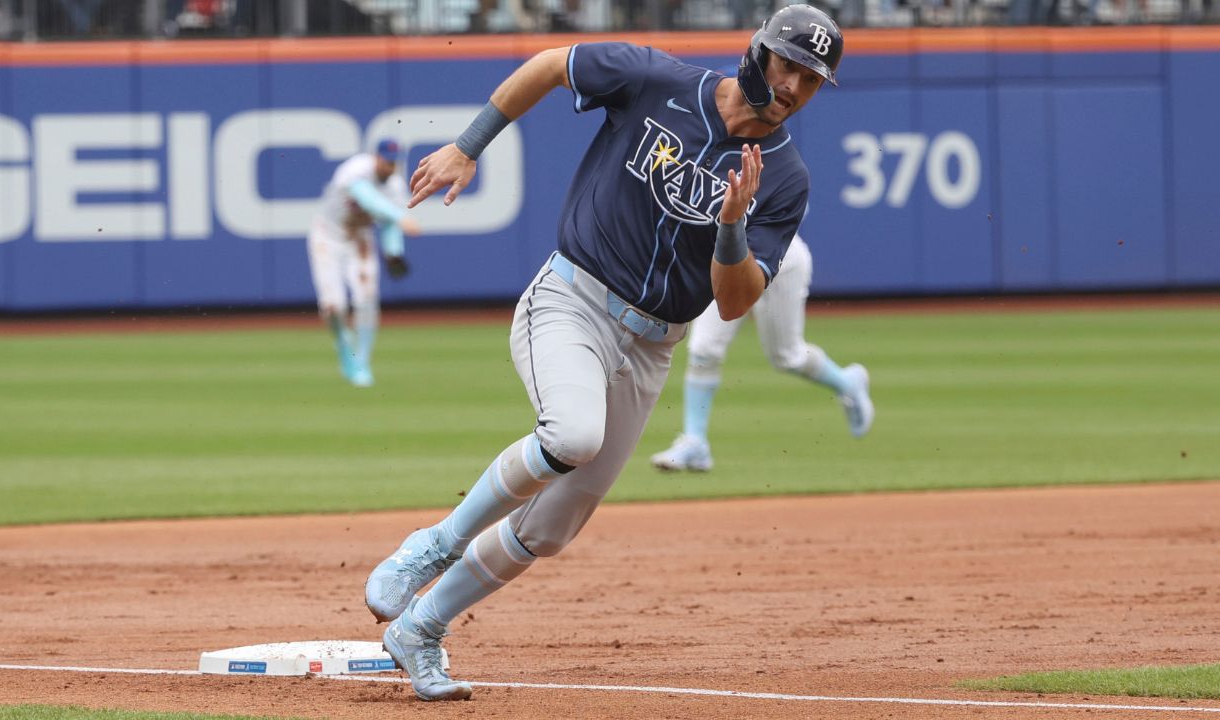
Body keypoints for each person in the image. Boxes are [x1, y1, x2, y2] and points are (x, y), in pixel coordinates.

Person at [365, 4, 843, 701]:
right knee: (573, 433)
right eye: (791, 65)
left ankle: (420, 628)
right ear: (759, 51)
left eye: (815, 79)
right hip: (572, 298)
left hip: (653, 345)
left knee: (551, 528)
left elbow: (736, 301)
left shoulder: (784, 178)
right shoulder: (656, 79)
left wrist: (732, 227)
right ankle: (432, 546)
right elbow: (552, 65)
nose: (798, 87)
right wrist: (470, 144)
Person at [649, 227, 874, 473]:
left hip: (780, 259)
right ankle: (695, 442)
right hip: (725, 260)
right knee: (704, 349)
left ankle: (846, 382)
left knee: (787, 356)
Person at [307, 139, 419, 387]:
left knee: (367, 299)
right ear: (375, 157)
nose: (388, 167)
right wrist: (401, 216)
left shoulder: (395, 186)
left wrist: (394, 253)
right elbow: (365, 197)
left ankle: (362, 362)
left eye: (393, 162)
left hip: (360, 239)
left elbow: (388, 223)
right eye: (385, 160)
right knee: (333, 306)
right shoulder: (356, 168)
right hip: (328, 236)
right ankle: (345, 347)